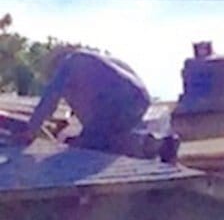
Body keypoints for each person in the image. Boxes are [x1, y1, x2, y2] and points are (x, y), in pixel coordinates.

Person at [17, 48, 179, 162]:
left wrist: (31, 130)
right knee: (110, 141)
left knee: (84, 149)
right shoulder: (96, 61)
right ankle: (161, 143)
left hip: (116, 103)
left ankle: (155, 144)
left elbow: (49, 100)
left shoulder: (69, 63)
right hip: (140, 100)